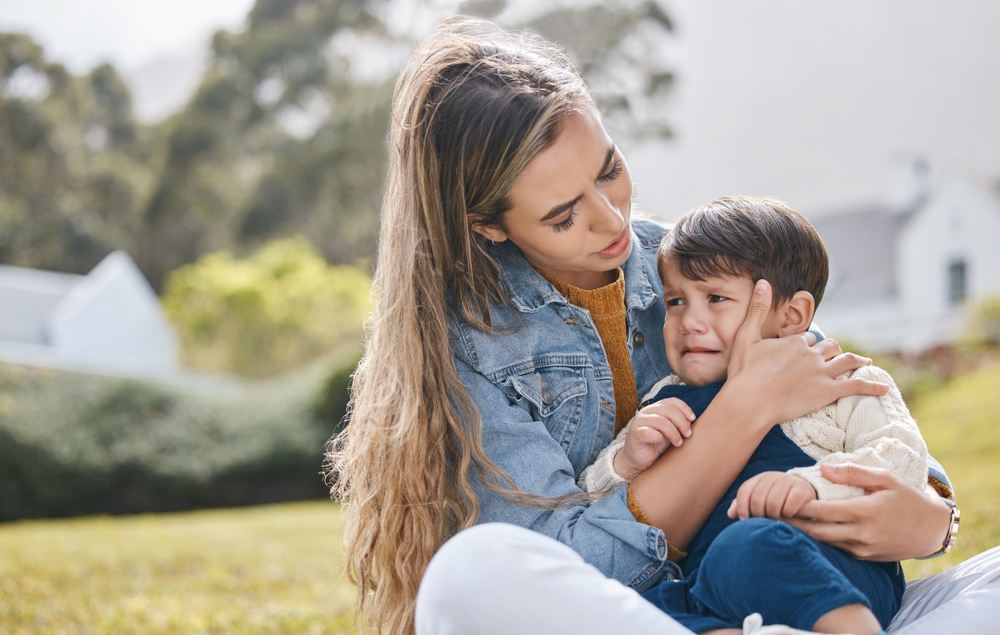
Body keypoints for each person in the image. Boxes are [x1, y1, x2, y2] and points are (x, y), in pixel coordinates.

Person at [326, 16, 1000, 635]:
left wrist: (935, 516)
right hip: (652, 616)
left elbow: (846, 404)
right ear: (488, 226)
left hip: (805, 588)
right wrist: (742, 407)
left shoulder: (694, 261)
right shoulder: (471, 348)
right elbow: (568, 567)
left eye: (609, 170)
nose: (614, 220)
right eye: (564, 216)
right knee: (467, 573)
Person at [577, 196, 935, 634]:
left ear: (792, 315)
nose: (689, 320)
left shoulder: (842, 383)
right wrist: (624, 462)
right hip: (714, 585)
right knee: (632, 611)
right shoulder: (665, 399)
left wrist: (809, 488)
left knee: (750, 545)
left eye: (715, 298)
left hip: (831, 565)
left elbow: (902, 461)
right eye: (675, 301)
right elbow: (592, 503)